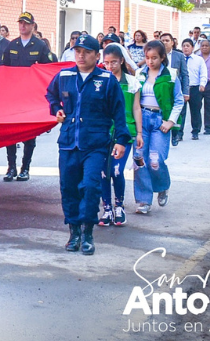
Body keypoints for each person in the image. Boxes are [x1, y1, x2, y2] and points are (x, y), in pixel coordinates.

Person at [45, 34, 130, 255]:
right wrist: (57, 109)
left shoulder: (107, 79)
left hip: (95, 143)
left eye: (86, 52)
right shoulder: (64, 75)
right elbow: (50, 95)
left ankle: (88, 232)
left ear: (96, 55)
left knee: (91, 187)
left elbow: (119, 112)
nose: (81, 56)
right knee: (69, 187)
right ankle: (73, 233)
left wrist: (122, 140)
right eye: (77, 51)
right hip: (68, 142)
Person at [132, 40, 185, 215]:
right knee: (139, 159)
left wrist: (170, 121)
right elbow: (134, 101)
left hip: (160, 121)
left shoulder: (171, 75)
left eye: (154, 58)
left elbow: (178, 100)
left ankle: (162, 187)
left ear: (162, 57)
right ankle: (144, 200)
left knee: (155, 160)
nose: (150, 61)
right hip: (142, 119)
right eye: (147, 58)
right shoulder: (139, 74)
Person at [3, 12, 53, 182]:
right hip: (13, 96)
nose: (23, 26)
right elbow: (4, 69)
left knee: (29, 134)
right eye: (20, 23)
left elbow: (49, 69)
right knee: (10, 132)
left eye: (26, 23)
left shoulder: (40, 46)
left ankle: (25, 168)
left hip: (31, 96)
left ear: (33, 25)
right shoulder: (12, 45)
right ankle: (11, 167)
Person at [99, 44, 142, 227]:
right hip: (103, 133)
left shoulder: (132, 82)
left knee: (116, 170)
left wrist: (139, 132)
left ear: (122, 61)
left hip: (125, 133)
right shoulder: (100, 80)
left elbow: (136, 108)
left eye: (113, 62)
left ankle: (119, 206)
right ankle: (106, 208)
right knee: (103, 172)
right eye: (106, 63)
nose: (109, 67)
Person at [159, 33, 190, 145]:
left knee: (180, 111)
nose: (165, 42)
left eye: (167, 40)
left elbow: (185, 74)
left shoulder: (179, 56)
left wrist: (186, 91)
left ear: (172, 42)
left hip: (176, 87)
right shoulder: (157, 56)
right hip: (163, 88)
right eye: (162, 40)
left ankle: (177, 134)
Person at [181, 38, 207, 140]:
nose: (185, 48)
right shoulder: (179, 59)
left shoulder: (199, 59)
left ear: (192, 47)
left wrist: (202, 84)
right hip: (182, 89)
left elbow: (203, 73)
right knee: (181, 112)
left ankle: (195, 131)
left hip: (195, 88)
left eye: (188, 46)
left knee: (195, 111)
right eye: (184, 46)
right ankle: (179, 133)